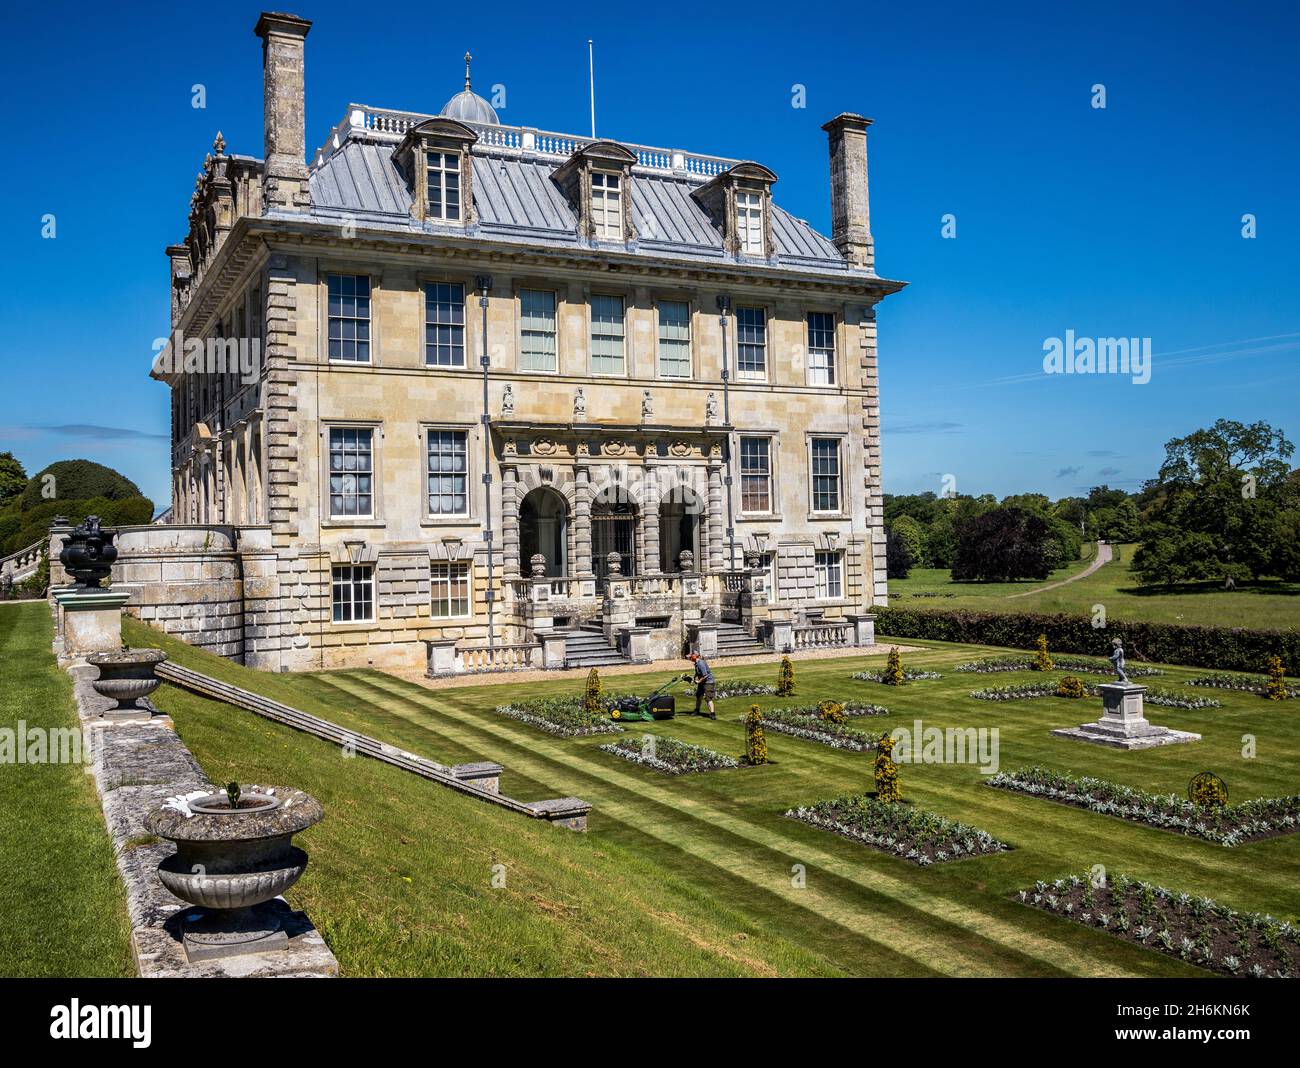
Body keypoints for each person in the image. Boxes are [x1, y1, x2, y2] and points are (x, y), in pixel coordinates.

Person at [687, 652, 716, 718]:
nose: (690, 658)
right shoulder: (696, 663)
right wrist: (693, 678)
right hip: (702, 682)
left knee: (708, 698)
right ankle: (697, 710)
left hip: (708, 682)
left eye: (691, 656)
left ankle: (712, 713)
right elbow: (697, 673)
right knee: (699, 696)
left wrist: (699, 681)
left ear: (695, 656)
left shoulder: (700, 663)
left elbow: (705, 675)